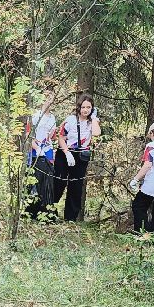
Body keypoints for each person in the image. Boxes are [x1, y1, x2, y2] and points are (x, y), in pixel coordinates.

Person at [57, 93, 99, 221]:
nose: (86, 110)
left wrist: (94, 118)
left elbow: (96, 133)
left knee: (75, 186)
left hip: (81, 156)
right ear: (79, 107)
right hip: (65, 153)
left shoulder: (92, 121)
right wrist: (66, 152)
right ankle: (49, 211)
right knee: (59, 182)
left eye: (89, 107)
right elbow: (61, 137)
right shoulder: (70, 120)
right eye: (83, 107)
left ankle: (70, 218)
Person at [24, 91, 59, 219]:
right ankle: (30, 211)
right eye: (46, 99)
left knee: (48, 182)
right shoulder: (35, 116)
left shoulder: (52, 118)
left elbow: (52, 136)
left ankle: (46, 212)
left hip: (47, 151)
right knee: (34, 180)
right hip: (35, 152)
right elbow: (28, 135)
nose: (48, 101)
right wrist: (37, 148)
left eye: (51, 99)